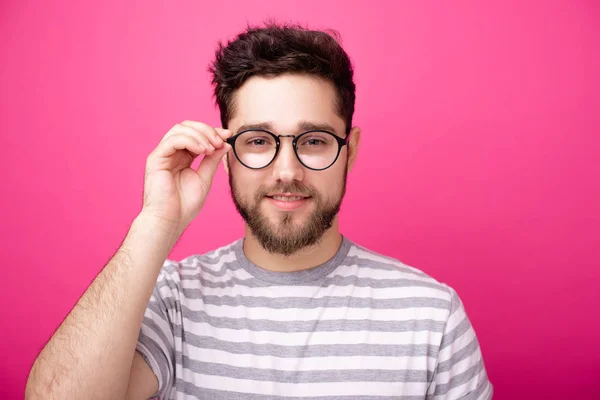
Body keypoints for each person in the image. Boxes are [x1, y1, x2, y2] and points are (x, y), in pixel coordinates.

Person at [25, 22, 493, 399]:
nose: (286, 171)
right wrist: (155, 224)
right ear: (225, 151)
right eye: (258, 141)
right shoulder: (171, 300)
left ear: (349, 151)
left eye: (313, 141)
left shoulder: (432, 315)